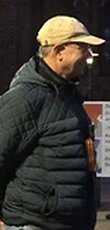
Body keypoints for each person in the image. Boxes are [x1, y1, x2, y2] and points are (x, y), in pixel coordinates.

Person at [0, 15, 104, 230]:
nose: (88, 55)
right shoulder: (26, 98)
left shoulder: (67, 95)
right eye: (82, 48)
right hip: (35, 223)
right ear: (58, 51)